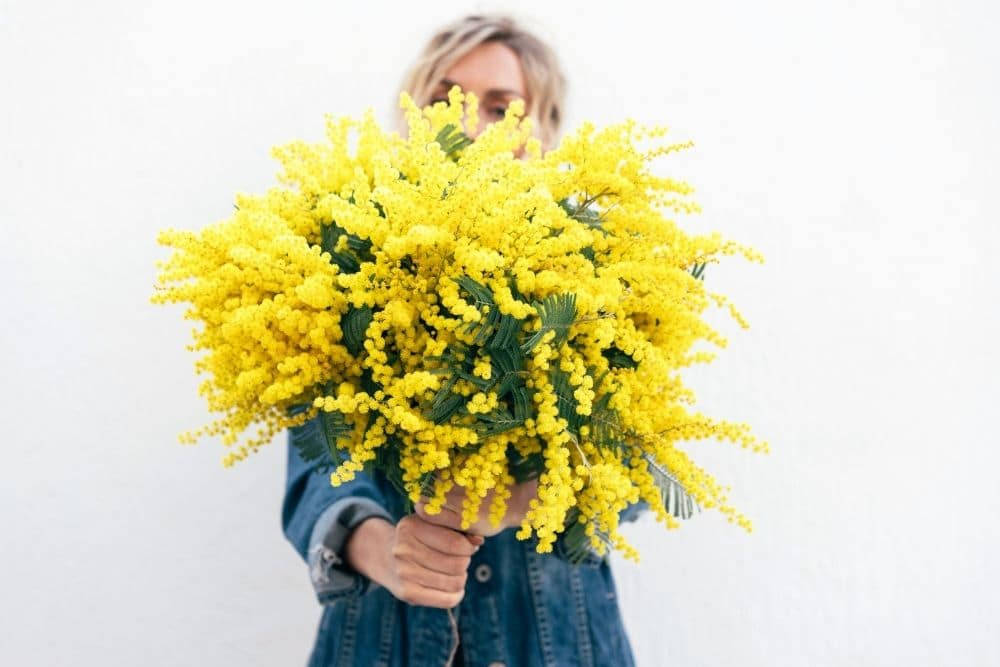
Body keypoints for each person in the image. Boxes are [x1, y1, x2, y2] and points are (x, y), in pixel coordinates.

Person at [281, 13, 646, 667]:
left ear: (544, 132)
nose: (470, 122)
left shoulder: (608, 276)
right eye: (444, 99)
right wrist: (387, 550)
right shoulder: (337, 277)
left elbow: (632, 474)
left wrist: (507, 503)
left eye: (502, 105)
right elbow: (320, 478)